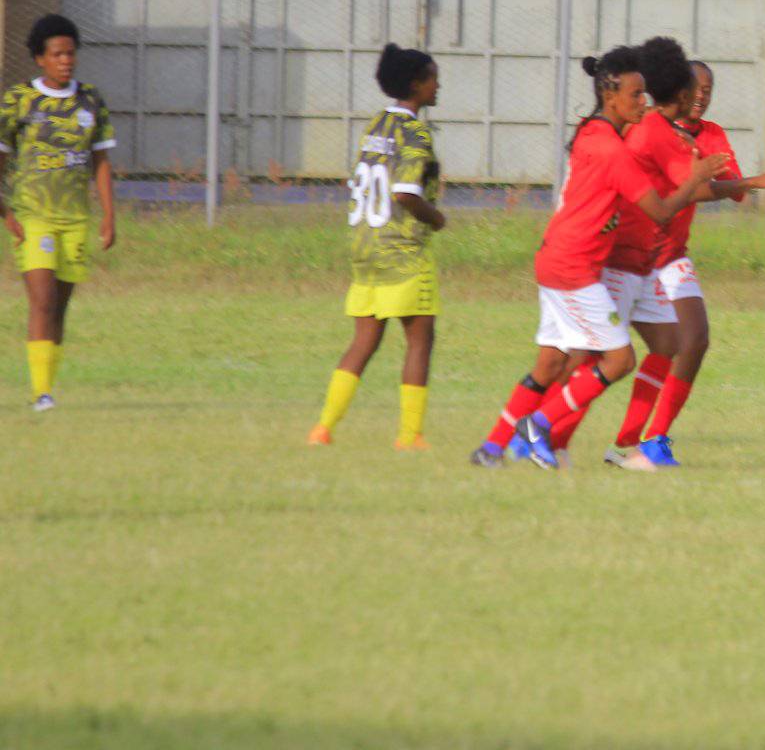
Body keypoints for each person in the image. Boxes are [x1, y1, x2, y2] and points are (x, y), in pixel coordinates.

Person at [469, 46, 728, 470]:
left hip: (559, 257)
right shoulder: (613, 151)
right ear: (611, 98)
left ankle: (492, 448)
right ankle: (538, 427)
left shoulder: (591, 131)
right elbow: (662, 211)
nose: (642, 102)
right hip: (575, 268)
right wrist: (696, 176)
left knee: (553, 361)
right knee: (618, 359)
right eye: (635, 95)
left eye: (645, 94)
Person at [605, 49, 765, 470]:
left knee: (694, 339)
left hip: (672, 255)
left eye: (709, 90)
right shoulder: (649, 129)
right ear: (678, 89)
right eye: (695, 88)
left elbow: (730, 187)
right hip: (632, 255)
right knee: (592, 355)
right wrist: (749, 180)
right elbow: (706, 188)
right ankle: (552, 427)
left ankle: (652, 439)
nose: (701, 97)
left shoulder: (709, 133)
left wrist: (732, 179)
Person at [308, 44, 446, 450]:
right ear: (418, 84)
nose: (440, 85)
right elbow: (405, 193)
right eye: (434, 77)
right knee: (421, 340)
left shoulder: (376, 125)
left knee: (364, 341)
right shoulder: (416, 131)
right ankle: (410, 435)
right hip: (402, 250)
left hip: (365, 245)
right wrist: (436, 218)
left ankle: (323, 428)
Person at [0, 15, 116, 412]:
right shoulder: (19, 101)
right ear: (39, 59)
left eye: (71, 53)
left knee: (60, 307)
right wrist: (5, 212)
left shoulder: (90, 100)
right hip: (33, 215)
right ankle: (41, 394)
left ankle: (47, 384)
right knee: (43, 300)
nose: (66, 60)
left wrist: (108, 215)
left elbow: (100, 161)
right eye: (57, 54)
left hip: (74, 218)